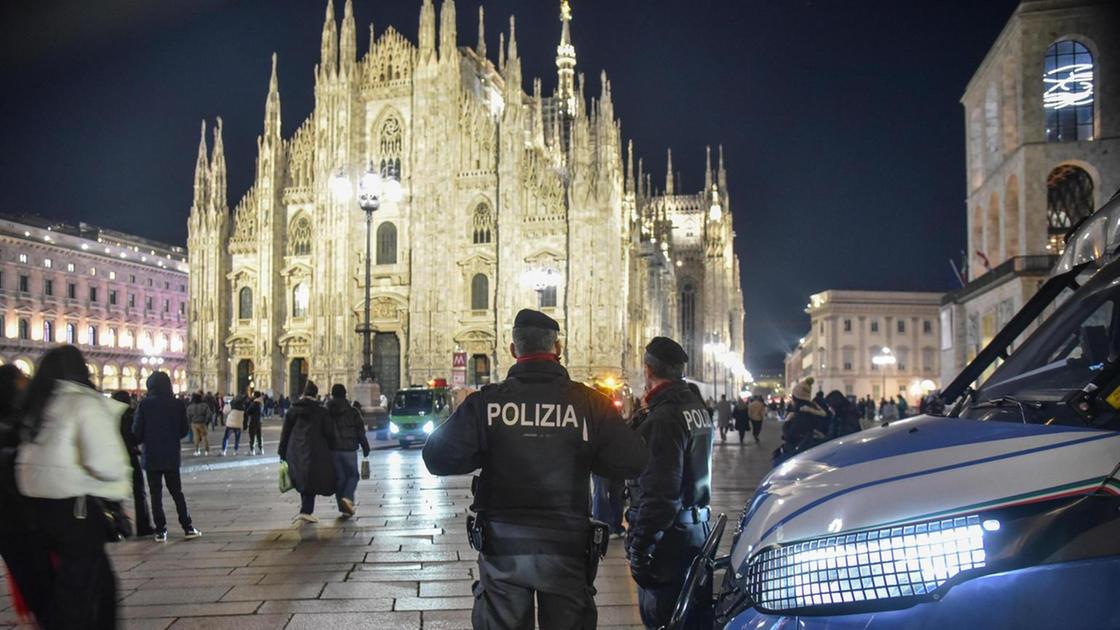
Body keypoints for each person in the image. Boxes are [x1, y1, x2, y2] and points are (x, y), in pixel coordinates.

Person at [423, 309, 648, 630]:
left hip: (503, 548)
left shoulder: (487, 403)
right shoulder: (589, 403)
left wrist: (485, 446)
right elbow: (634, 460)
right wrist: (588, 453)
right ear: (558, 348)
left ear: (513, 350)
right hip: (567, 547)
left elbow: (436, 457)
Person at [15, 346, 130, 629]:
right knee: (82, 594)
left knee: (80, 587)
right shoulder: (83, 403)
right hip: (75, 511)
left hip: (36, 511)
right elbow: (107, 464)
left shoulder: (38, 404)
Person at [625, 337, 714, 629]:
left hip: (668, 542)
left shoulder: (664, 419)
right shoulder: (695, 406)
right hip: (695, 532)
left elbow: (660, 494)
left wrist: (640, 549)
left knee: (663, 619)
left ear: (648, 369)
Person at [0, 365, 52, 625]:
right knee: (39, 583)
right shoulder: (20, 421)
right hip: (24, 515)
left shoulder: (22, 418)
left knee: (29, 581)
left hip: (16, 519)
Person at [133, 371, 202, 542]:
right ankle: (187, 527)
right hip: (171, 455)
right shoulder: (177, 404)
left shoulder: (144, 405)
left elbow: (137, 432)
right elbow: (184, 431)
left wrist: (146, 439)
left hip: (151, 457)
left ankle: (160, 530)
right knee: (177, 492)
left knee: (155, 495)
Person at [278, 381, 336, 523]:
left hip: (295, 449)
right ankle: (306, 510)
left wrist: (282, 452)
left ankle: (306, 509)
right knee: (312, 477)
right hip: (316, 450)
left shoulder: (293, 410)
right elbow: (329, 433)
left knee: (301, 476)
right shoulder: (322, 411)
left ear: (303, 394)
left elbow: (285, 433)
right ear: (316, 395)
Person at [112, 390, 156, 536]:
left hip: (113, 457)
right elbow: (135, 435)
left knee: (113, 493)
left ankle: (115, 526)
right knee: (139, 491)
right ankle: (143, 526)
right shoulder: (129, 414)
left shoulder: (107, 416)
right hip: (129, 455)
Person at [325, 383, 370, 517]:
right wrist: (365, 447)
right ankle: (348, 498)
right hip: (349, 449)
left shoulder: (327, 412)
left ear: (332, 395)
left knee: (340, 478)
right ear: (345, 394)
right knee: (353, 476)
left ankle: (343, 508)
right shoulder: (353, 411)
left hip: (333, 450)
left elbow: (324, 430)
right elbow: (360, 432)